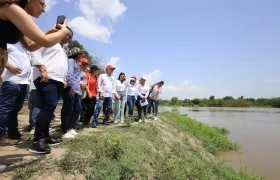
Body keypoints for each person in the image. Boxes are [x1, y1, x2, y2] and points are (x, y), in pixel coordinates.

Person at [27, 26, 72, 154]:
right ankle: (38, 140)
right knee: (48, 107)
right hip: (47, 78)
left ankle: (45, 136)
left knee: (49, 108)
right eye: (66, 34)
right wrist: (42, 69)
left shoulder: (62, 49)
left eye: (70, 36)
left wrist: (63, 79)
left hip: (57, 80)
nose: (68, 37)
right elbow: (34, 51)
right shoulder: (48, 39)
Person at [0, 0, 69, 79]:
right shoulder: (12, 8)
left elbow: (30, 45)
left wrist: (49, 33)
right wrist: (64, 31)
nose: (43, 10)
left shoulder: (17, 14)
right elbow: (46, 41)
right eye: (42, 4)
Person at [0, 42, 30, 145]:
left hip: (24, 82)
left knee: (14, 110)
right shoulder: (7, 42)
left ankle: (13, 133)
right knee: (5, 108)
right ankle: (1, 135)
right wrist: (8, 65)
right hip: (11, 80)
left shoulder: (23, 46)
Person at [61, 48, 88, 138]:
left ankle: (71, 127)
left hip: (76, 90)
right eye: (82, 54)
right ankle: (65, 130)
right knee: (68, 109)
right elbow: (69, 74)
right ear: (77, 54)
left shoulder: (77, 64)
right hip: (70, 88)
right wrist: (72, 87)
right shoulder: (71, 61)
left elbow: (80, 79)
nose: (83, 55)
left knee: (77, 108)